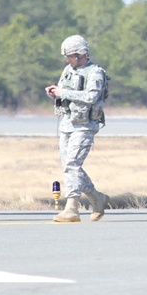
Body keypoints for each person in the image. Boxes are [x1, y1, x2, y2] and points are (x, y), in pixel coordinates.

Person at [45, 35, 110, 223]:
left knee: (72, 164)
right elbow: (64, 90)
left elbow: (91, 96)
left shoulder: (96, 73)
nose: (68, 60)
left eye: (71, 56)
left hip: (85, 126)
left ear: (82, 55)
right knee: (70, 167)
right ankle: (97, 198)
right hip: (67, 123)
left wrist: (63, 92)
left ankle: (72, 207)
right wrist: (55, 92)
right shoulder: (68, 70)